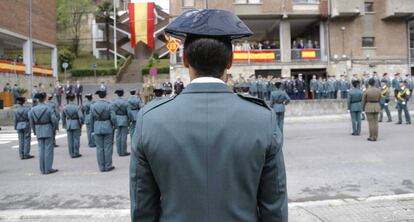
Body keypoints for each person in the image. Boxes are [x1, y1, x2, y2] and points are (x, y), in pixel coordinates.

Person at [130, 9, 287, 222]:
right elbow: (274, 207)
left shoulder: (150, 119)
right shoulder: (262, 118)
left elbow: (142, 209)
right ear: (230, 62)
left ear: (185, 60)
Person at [29, 92, 58, 174]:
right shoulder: (48, 108)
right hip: (47, 129)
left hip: (38, 130)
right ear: (45, 98)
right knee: (48, 149)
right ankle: (48, 168)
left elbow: (31, 122)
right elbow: (54, 120)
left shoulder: (32, 109)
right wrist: (54, 129)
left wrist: (34, 130)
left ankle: (42, 169)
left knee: (41, 150)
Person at [91, 90, 116, 172]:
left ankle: (101, 167)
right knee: (108, 147)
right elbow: (113, 117)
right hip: (107, 126)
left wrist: (92, 129)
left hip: (97, 126)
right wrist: (114, 125)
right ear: (105, 96)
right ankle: (108, 165)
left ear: (98, 96)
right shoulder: (109, 105)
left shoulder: (93, 106)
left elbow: (91, 119)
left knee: (99, 148)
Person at [62, 93, 84, 158]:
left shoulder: (65, 107)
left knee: (70, 140)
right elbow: (81, 117)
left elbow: (63, 117)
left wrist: (64, 125)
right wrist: (81, 123)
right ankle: (76, 152)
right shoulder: (77, 107)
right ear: (74, 99)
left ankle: (71, 153)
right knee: (76, 139)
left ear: (68, 99)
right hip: (76, 123)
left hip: (68, 123)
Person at [111, 89, 130, 156]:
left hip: (116, 119)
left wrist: (113, 121)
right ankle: (123, 151)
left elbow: (112, 112)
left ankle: (119, 151)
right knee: (123, 136)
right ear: (123, 94)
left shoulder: (113, 102)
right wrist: (130, 119)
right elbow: (129, 113)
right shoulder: (126, 102)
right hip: (124, 119)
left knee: (118, 136)